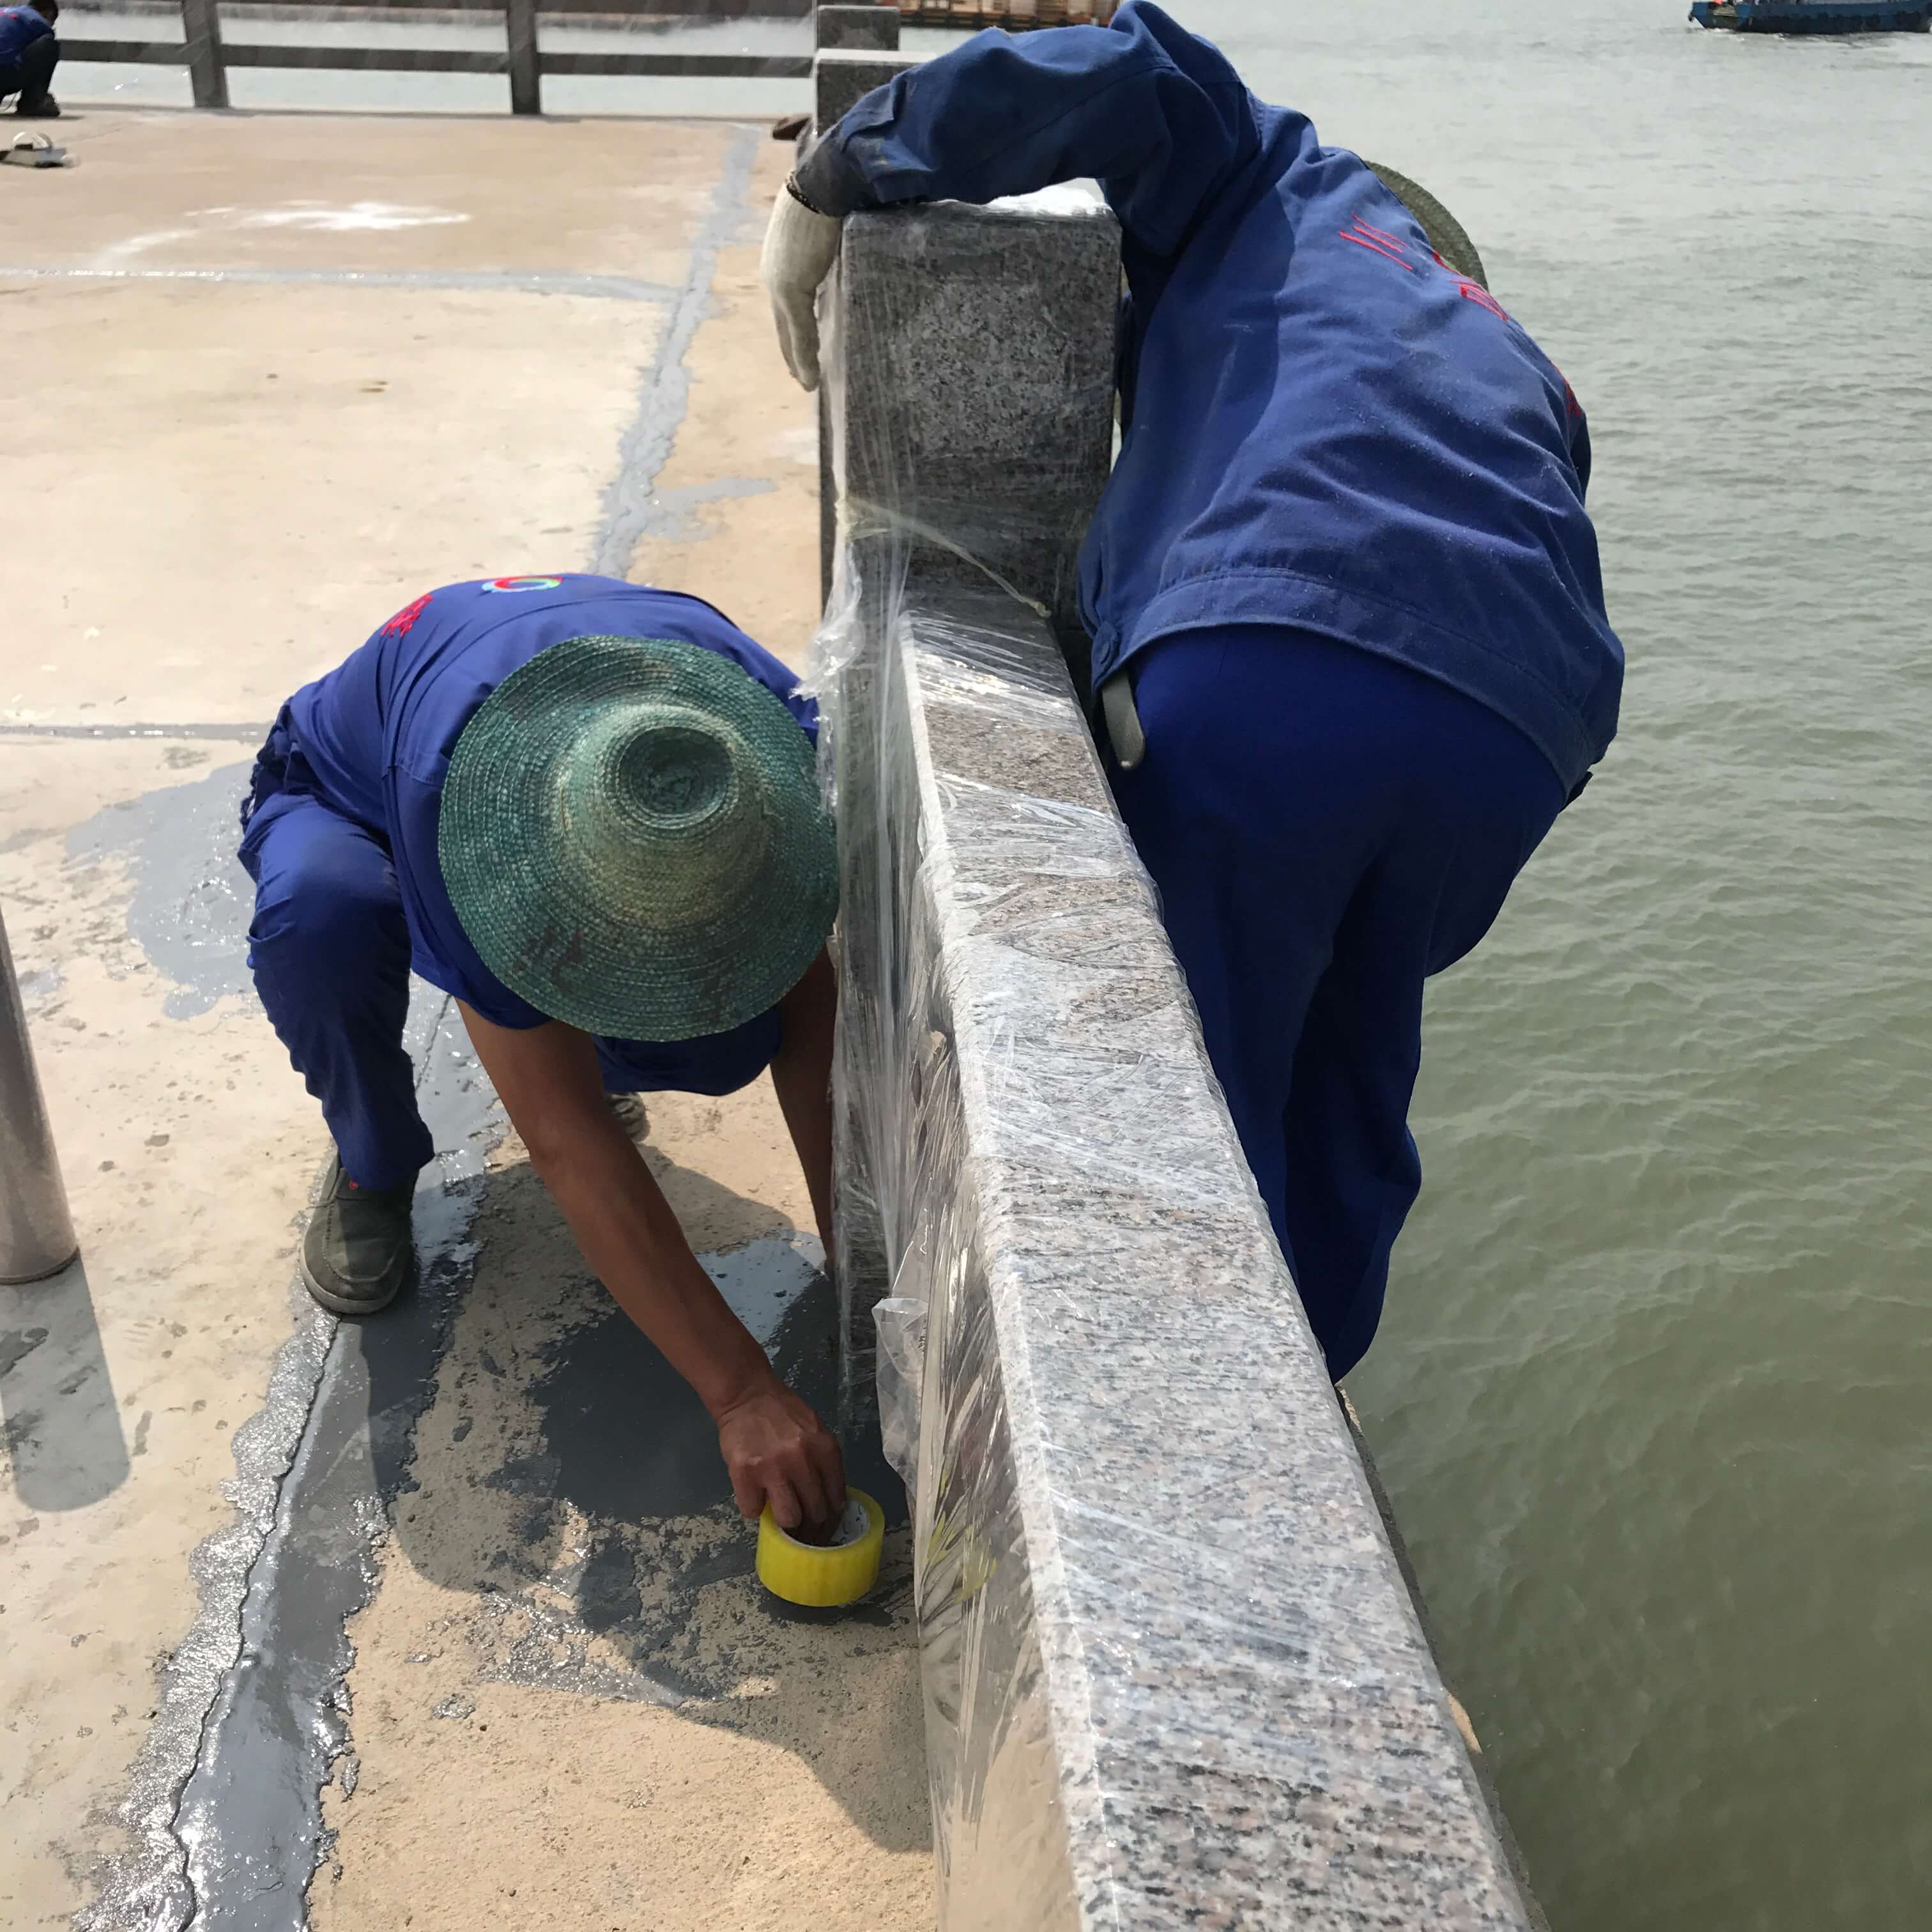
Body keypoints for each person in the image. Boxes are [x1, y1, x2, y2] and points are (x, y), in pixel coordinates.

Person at [762, 2, 1623, 1381]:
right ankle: (1312, 1397)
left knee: (1186, 1113)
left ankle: (1183, 1420)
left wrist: (842, 169)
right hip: (1515, 742)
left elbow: (1119, 69)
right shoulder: (1513, 357)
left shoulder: (1273, 177)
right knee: (1351, 1070)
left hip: (1272, 661)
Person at [238, 575, 848, 1534]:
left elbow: (815, 1036)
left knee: (718, 1023)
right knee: (320, 918)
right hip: (356, 791)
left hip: (549, 724)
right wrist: (742, 1394)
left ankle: (604, 1023)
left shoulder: (766, 740)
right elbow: (560, 1136)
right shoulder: (457, 806)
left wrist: (862, 1259)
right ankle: (372, 1165)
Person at [0, 0, 58, 119]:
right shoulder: (38, 20)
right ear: (49, 14)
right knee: (49, 44)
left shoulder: (4, 11)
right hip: (5, 75)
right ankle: (32, 103)